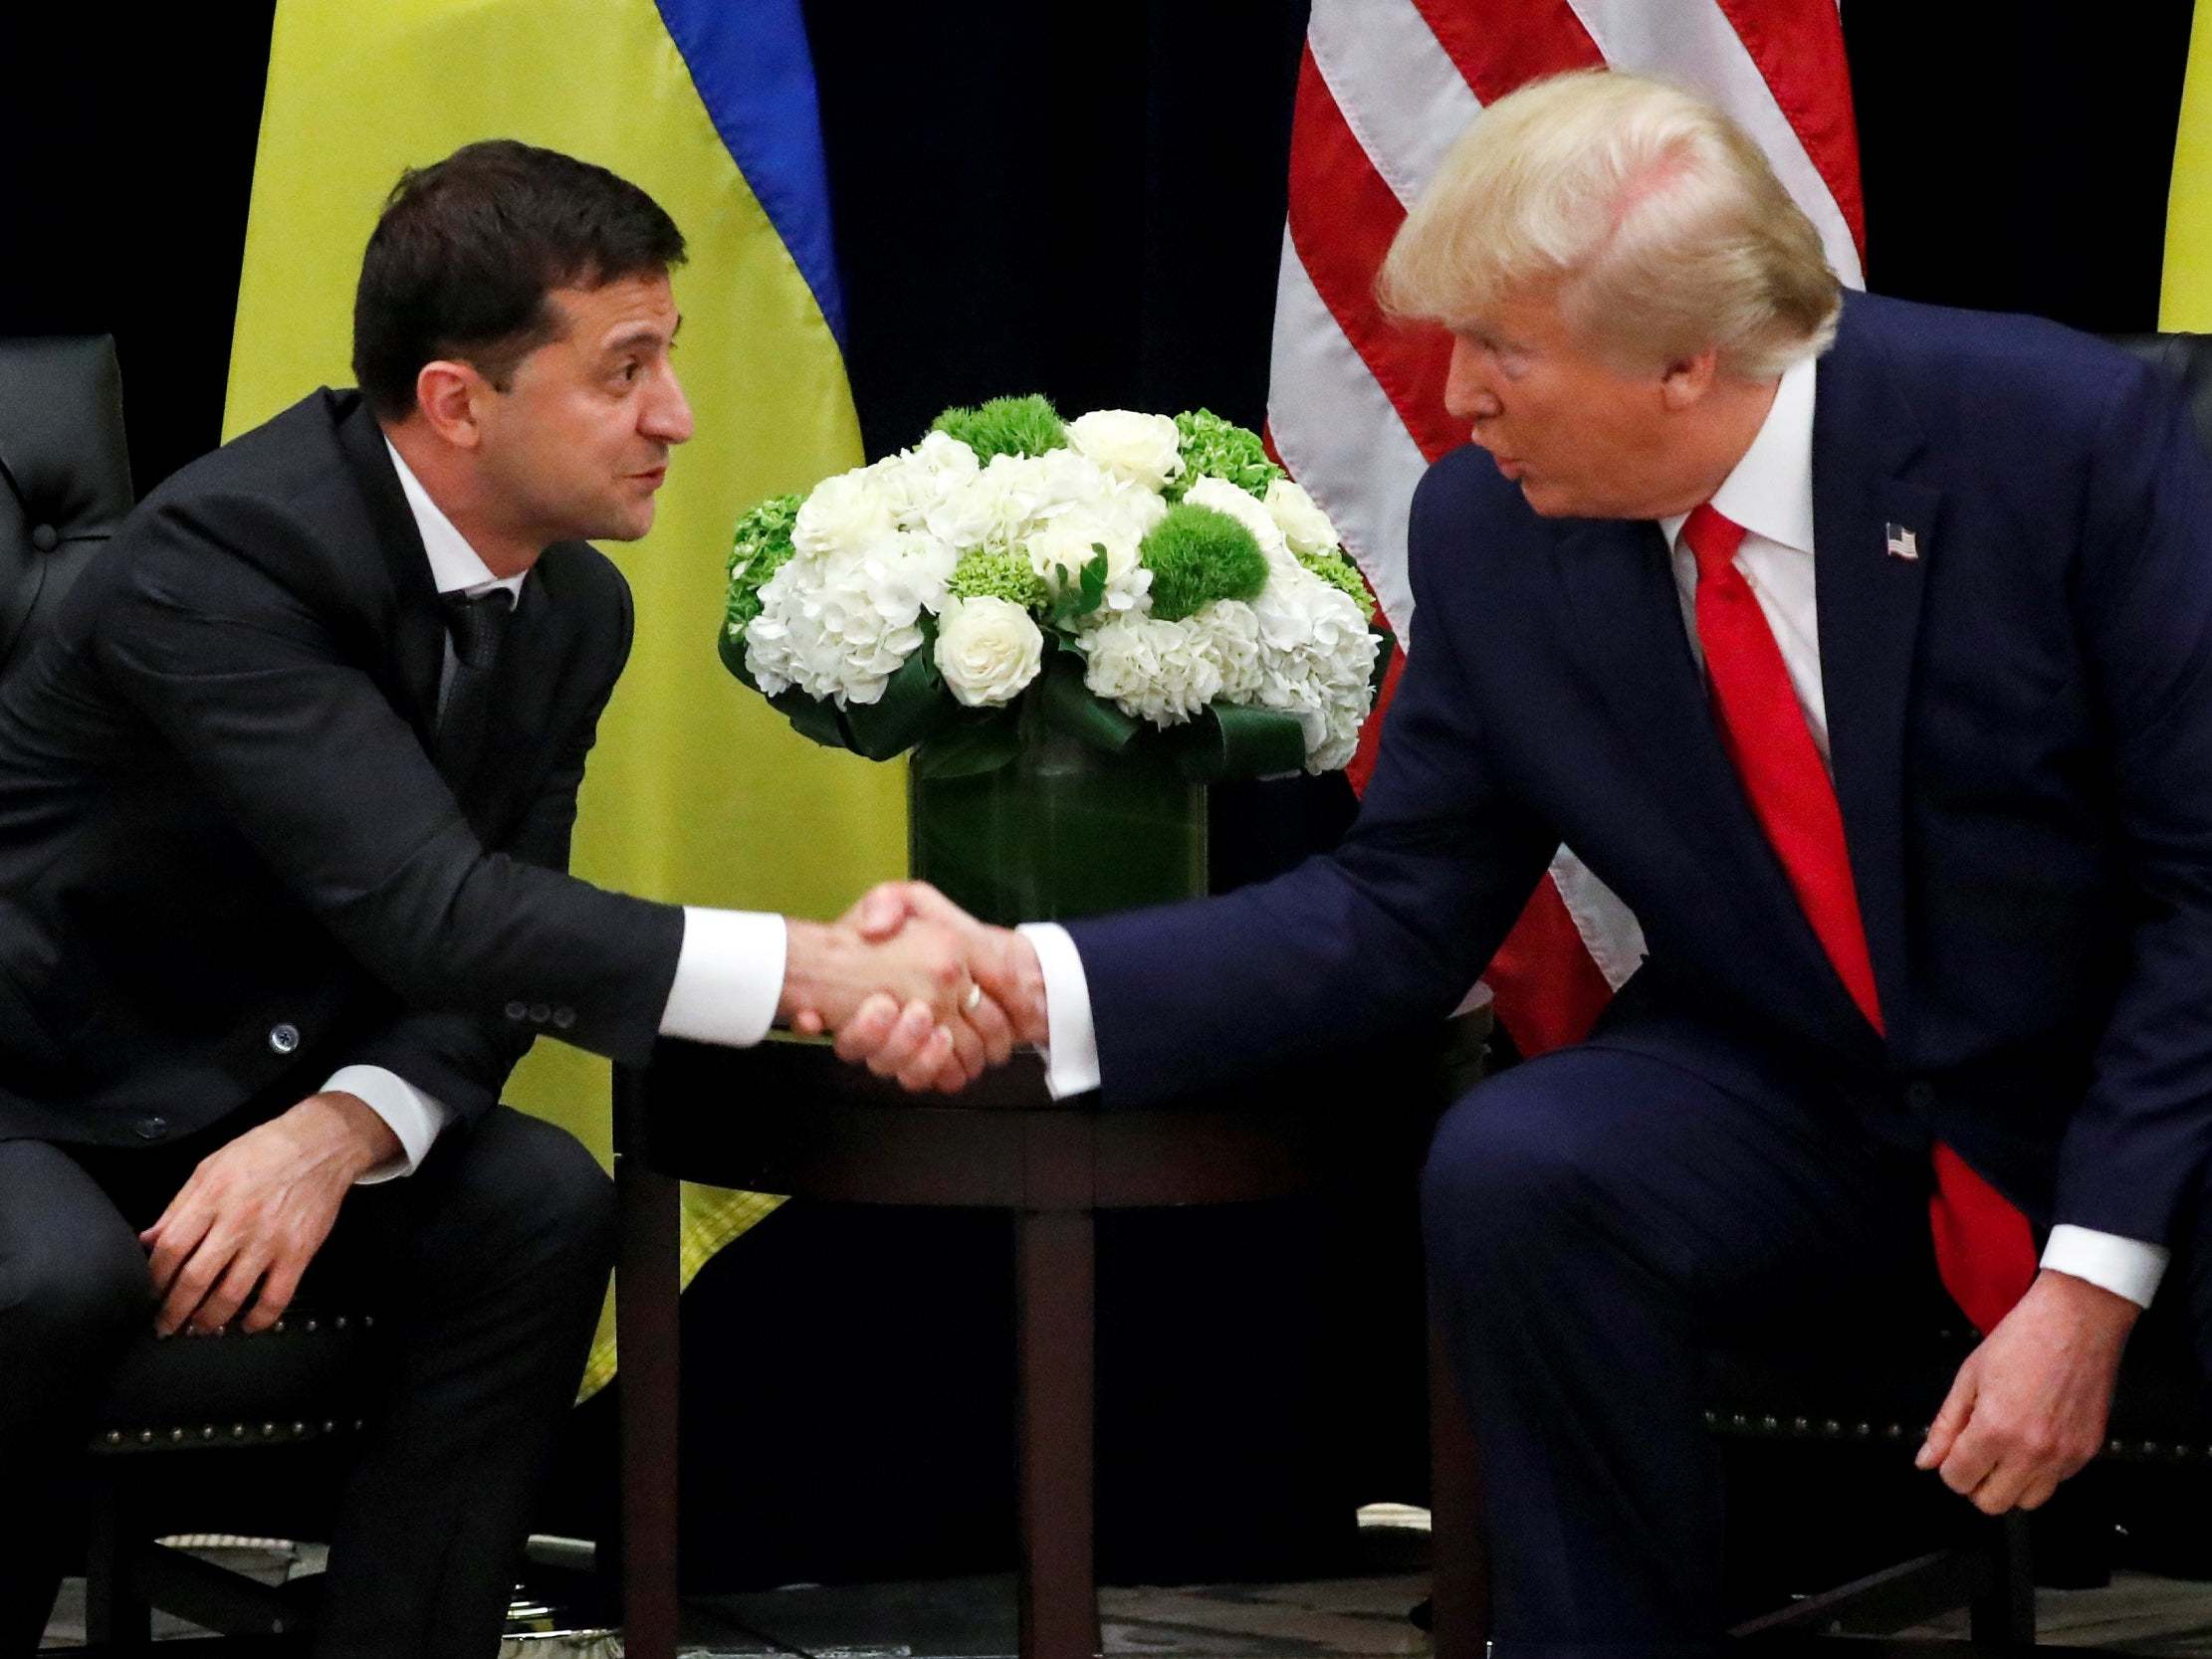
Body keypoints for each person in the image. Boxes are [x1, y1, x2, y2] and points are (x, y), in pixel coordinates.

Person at [839, 69, 2212, 1653]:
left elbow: (2201, 897)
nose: (1459, 398)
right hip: (1809, 1073)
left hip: (2134, 1066)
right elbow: (1392, 908)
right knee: (1530, 1166)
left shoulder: (2058, 443)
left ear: (1687, 363)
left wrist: (2092, 1282)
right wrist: (1032, 976)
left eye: (1503, 351)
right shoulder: (1496, 527)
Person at [0, 139, 998, 1658]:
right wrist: (809, 969)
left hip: (247, 1082)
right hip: (36, 1078)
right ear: (461, 399)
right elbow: (440, 914)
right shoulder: (222, 554)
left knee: (535, 1203)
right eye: (625, 371)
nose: (674, 417)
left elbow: (495, 922)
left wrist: (346, 1125)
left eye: (668, 360)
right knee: (55, 1279)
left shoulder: (569, 603)